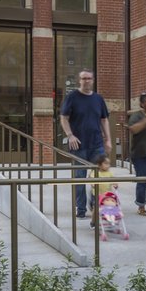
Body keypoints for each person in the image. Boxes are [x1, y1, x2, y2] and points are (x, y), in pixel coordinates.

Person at [58, 69, 110, 218]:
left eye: (89, 78)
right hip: (78, 145)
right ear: (79, 80)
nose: (86, 81)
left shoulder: (98, 99)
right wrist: (70, 135)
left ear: (93, 80)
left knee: (99, 176)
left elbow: (104, 120)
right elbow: (64, 118)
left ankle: (95, 204)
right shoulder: (72, 97)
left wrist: (109, 140)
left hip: (97, 144)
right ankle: (80, 209)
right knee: (79, 178)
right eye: (84, 78)